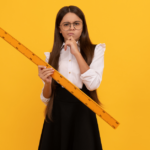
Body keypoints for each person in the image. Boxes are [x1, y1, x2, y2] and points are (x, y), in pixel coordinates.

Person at [38, 5, 106, 150]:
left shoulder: (96, 50)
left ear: (83, 27)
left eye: (76, 23)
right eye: (66, 24)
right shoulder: (51, 56)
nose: (71, 28)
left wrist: (76, 52)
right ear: (59, 29)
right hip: (57, 113)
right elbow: (46, 99)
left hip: (83, 111)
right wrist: (47, 83)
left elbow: (93, 84)